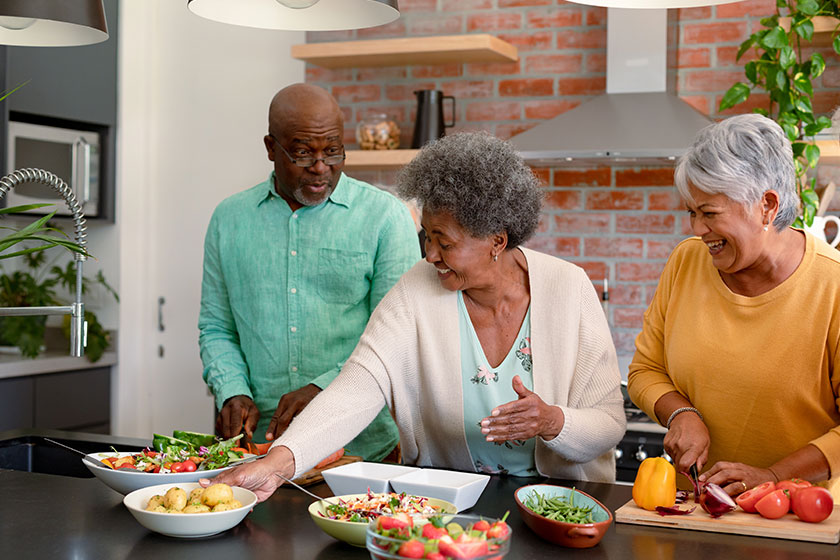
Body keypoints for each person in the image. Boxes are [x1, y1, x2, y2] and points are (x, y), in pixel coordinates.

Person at [206, 132, 626, 502]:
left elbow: (608, 424)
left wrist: (553, 421)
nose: (429, 255)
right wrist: (279, 463)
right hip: (445, 508)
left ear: (496, 240)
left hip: (559, 510)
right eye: (427, 236)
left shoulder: (568, 288)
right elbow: (359, 384)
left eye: (444, 242)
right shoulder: (416, 288)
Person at [198, 83, 421, 462]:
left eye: (332, 150)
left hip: (360, 450)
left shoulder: (386, 217)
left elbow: (396, 339)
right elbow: (217, 327)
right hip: (255, 450)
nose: (321, 167)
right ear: (271, 148)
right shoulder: (229, 219)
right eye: (302, 153)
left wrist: (323, 389)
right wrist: (232, 391)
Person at [627, 113, 840, 498]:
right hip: (693, 508)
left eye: (709, 213)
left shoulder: (833, 286)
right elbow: (646, 369)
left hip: (801, 518)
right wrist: (681, 412)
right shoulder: (686, 262)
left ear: (767, 206)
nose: (696, 230)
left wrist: (773, 475)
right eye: (692, 213)